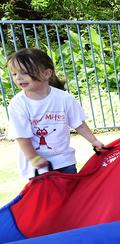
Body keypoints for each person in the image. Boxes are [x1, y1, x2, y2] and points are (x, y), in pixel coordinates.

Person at [7, 48, 105, 180]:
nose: (18, 78)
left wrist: (94, 141)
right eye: (14, 74)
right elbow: (21, 137)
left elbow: (78, 123)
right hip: (38, 167)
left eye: (25, 72)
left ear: (47, 73)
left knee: (71, 197)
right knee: (48, 200)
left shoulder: (64, 98)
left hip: (65, 161)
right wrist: (34, 158)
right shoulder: (18, 104)